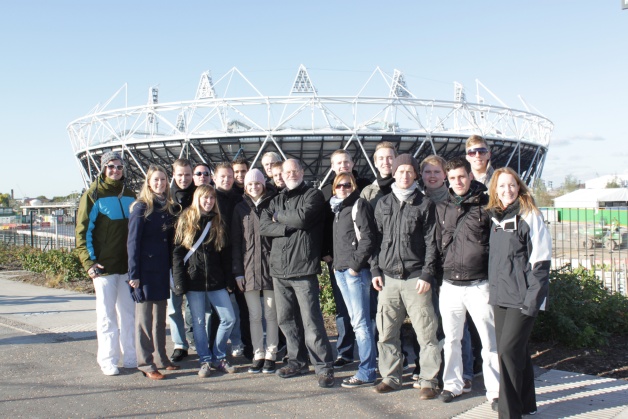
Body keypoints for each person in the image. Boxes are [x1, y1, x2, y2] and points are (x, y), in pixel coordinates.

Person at [259, 159, 335, 388]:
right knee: (286, 319)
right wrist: (288, 224)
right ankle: (297, 361)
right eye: (287, 171)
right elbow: (263, 226)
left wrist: (280, 218)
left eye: (295, 170)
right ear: (280, 174)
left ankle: (324, 367)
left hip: (303, 268)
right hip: (279, 270)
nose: (291, 174)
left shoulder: (313, 195)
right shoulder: (275, 199)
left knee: (311, 321)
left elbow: (302, 218)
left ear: (302, 171)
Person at [370, 154, 440, 399]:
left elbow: (433, 243)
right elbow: (374, 240)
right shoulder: (383, 203)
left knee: (426, 333)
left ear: (415, 175)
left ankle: (429, 379)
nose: (405, 176)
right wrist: (375, 270)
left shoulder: (424, 204)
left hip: (415, 278)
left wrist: (427, 274)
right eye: (401, 171)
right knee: (386, 332)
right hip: (388, 279)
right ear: (395, 173)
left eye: (410, 171)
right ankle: (391, 376)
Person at [486, 167, 551, 417]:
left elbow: (541, 262)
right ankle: (525, 404)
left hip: (523, 298)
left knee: (507, 353)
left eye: (511, 185)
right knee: (518, 352)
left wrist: (532, 301)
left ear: (520, 186)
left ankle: (509, 412)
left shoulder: (530, 216)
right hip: (500, 297)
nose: (507, 190)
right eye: (501, 186)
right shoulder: (495, 217)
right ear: (495, 190)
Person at [434, 157, 499, 404]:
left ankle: (495, 391)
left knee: (488, 341)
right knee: (451, 340)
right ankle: (453, 384)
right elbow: (436, 245)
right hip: (450, 284)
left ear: (470, 175)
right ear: (447, 180)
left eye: (461, 176)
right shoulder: (443, 207)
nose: (458, 181)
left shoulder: (487, 204)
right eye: (452, 178)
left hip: (479, 284)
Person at [75, 151, 137, 376]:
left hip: (126, 268)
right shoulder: (93, 195)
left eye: (119, 167)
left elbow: (135, 232)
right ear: (103, 168)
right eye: (111, 166)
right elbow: (82, 232)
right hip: (104, 269)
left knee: (129, 315)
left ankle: (131, 356)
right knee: (106, 316)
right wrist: (89, 262)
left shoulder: (130, 194)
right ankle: (108, 359)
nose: (115, 170)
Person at [172, 185, 237, 378]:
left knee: (228, 318)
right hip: (194, 279)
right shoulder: (186, 220)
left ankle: (218, 355)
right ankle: (205, 359)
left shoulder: (218, 221)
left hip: (216, 280)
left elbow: (224, 253)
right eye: (205, 198)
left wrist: (228, 280)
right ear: (197, 199)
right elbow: (177, 253)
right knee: (199, 322)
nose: (208, 202)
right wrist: (179, 282)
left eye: (211, 198)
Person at [127, 165, 180, 380]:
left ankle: (162, 358)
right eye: (156, 180)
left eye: (163, 180)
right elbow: (132, 242)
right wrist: (133, 274)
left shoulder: (167, 208)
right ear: (148, 182)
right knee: (144, 320)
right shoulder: (141, 208)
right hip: (145, 272)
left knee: (160, 319)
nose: (160, 183)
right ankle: (146, 363)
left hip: (160, 270)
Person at [321, 149, 370, 369]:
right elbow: (321, 227)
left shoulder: (365, 190)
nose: (343, 165)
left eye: (346, 161)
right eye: (338, 163)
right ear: (332, 167)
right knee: (343, 310)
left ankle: (369, 361)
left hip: (357, 265)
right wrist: (326, 253)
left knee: (364, 315)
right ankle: (345, 351)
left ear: (353, 163)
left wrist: (356, 263)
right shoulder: (325, 195)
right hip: (337, 263)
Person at [329, 172, 377, 388]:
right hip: (341, 271)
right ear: (333, 188)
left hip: (354, 273)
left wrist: (355, 267)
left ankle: (367, 371)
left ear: (354, 186)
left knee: (361, 323)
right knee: (356, 321)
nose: (343, 188)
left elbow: (368, 238)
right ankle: (367, 367)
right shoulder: (337, 209)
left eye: (347, 185)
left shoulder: (359, 205)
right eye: (339, 185)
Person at [232, 169, 279, 374]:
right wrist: (238, 272)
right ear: (245, 186)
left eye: (257, 183)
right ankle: (258, 353)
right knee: (254, 315)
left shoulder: (274, 203)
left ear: (263, 184)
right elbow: (235, 242)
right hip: (248, 269)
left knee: (271, 314)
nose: (253, 187)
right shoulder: (240, 209)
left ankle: (272, 354)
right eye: (250, 184)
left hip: (271, 268)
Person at [213, 162, 252, 360]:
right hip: (217, 259)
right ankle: (214, 350)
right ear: (215, 178)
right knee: (218, 310)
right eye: (223, 176)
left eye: (230, 176)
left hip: (239, 257)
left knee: (242, 306)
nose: (227, 179)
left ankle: (244, 343)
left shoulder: (240, 199)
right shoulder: (210, 199)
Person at [168, 158, 196, 363]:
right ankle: (180, 344)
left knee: (196, 306)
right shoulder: (165, 199)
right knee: (174, 305)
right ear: (173, 175)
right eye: (180, 175)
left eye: (187, 175)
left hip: (195, 257)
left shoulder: (199, 195)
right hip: (172, 258)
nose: (184, 179)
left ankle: (197, 339)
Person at [360, 141, 398, 208]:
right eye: (381, 158)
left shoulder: (407, 189)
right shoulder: (367, 192)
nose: (385, 162)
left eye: (390, 158)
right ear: (375, 163)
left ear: (396, 160)